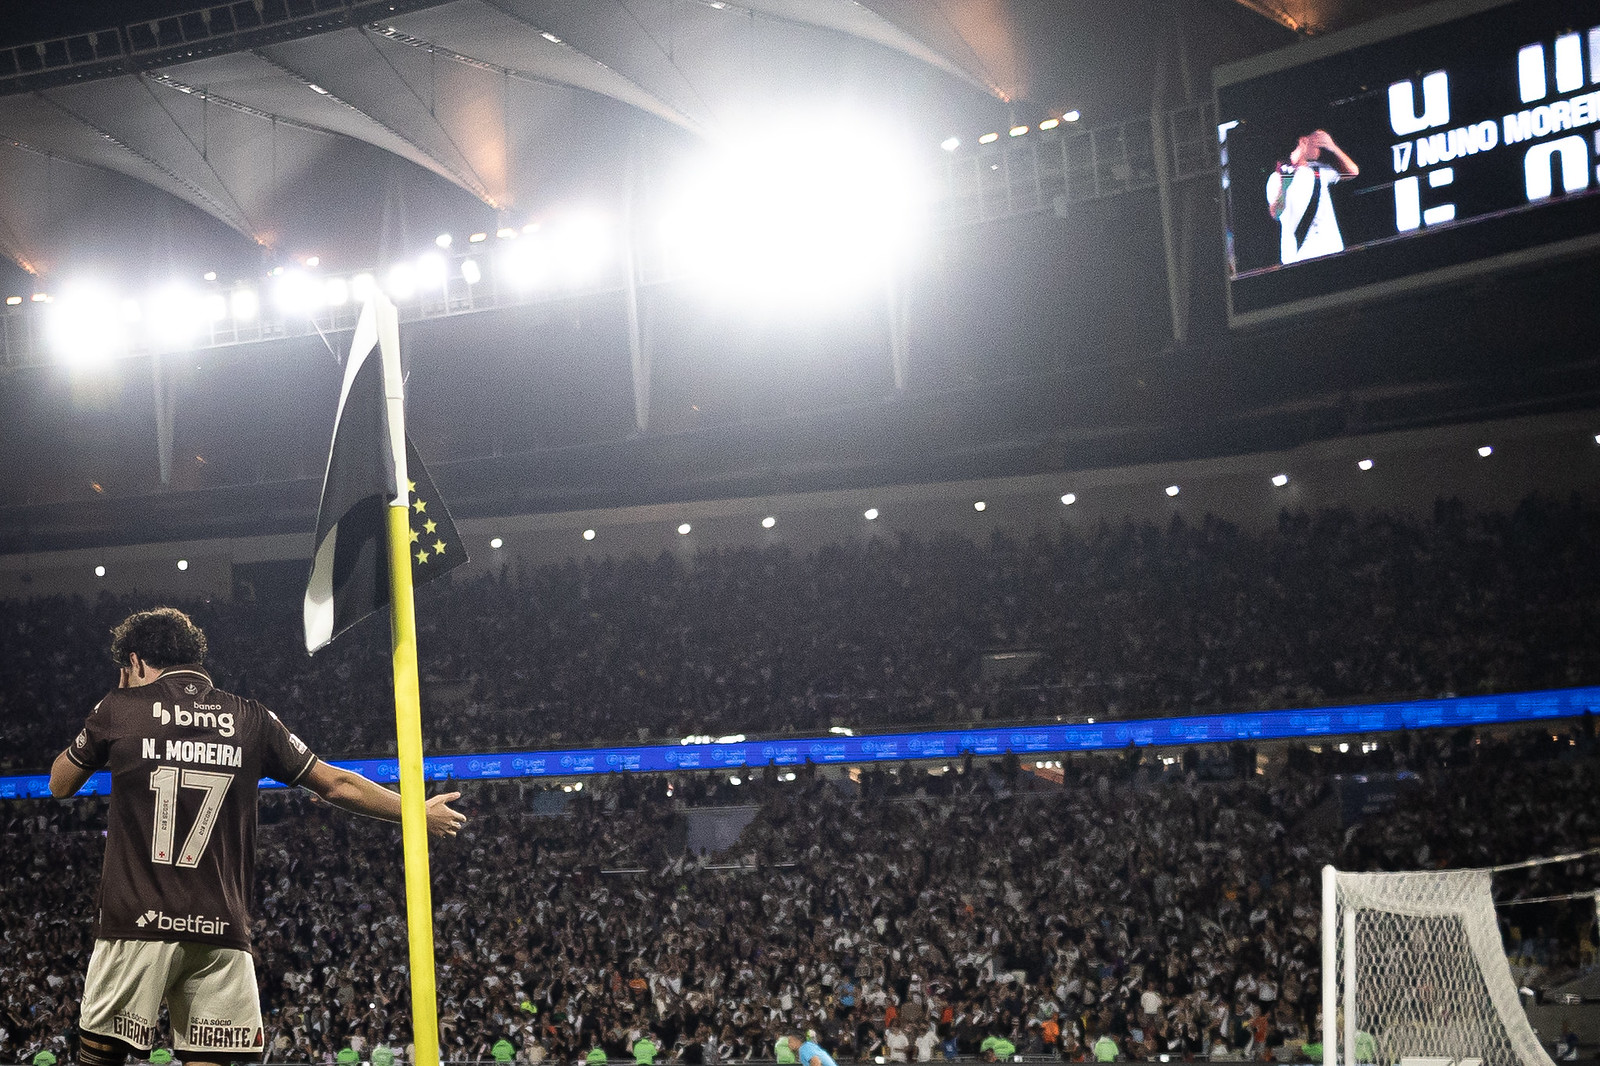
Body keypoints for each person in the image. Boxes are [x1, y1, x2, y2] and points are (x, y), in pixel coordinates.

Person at [49, 607, 467, 1066]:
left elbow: (60, 783)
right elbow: (335, 784)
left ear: (135, 660)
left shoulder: (119, 708)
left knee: (98, 1059)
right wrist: (415, 813)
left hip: (135, 923)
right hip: (222, 930)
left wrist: (115, 707)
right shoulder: (251, 717)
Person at [1266, 129, 1359, 265]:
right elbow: (1276, 213)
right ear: (1303, 141)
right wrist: (1285, 182)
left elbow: (1353, 171)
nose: (1319, 147)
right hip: (1299, 258)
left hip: (1331, 251)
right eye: (1316, 142)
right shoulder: (1277, 177)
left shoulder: (1319, 171)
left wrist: (1332, 147)